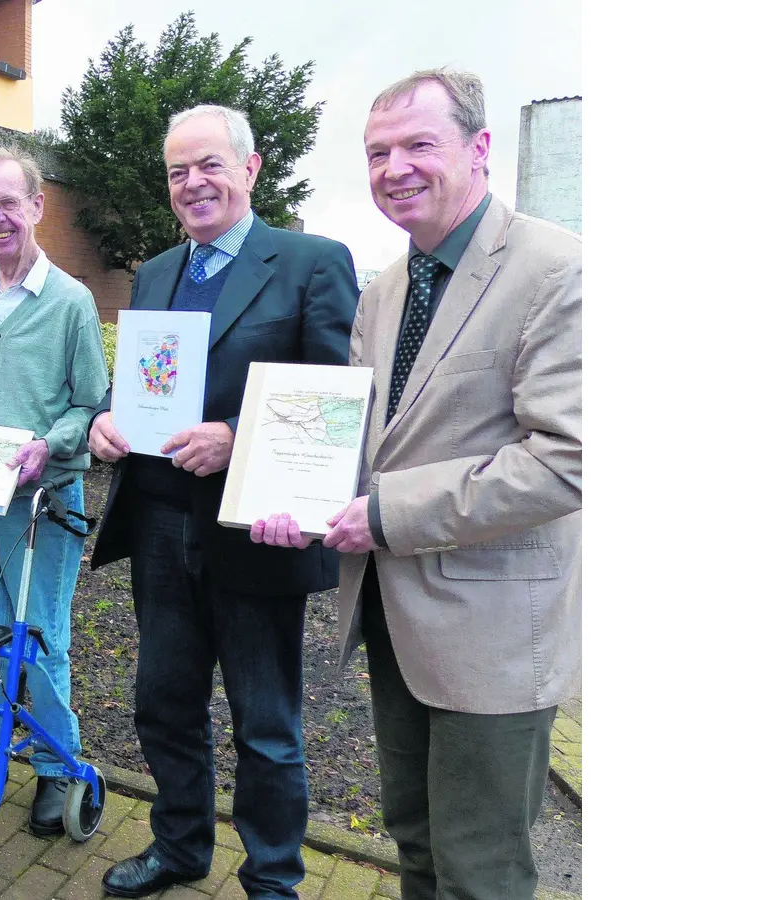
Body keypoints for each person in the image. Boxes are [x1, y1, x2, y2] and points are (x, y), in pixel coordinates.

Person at [252, 69, 581, 900]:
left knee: (480, 869)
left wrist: (384, 514)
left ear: (479, 148)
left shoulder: (557, 269)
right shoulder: (386, 288)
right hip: (394, 615)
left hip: (494, 635)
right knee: (417, 844)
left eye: (417, 145)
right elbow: (363, 435)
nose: (393, 167)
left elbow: (566, 458)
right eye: (376, 152)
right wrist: (283, 489)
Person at [88, 105, 359, 899]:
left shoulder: (311, 262)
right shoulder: (158, 272)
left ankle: (273, 879)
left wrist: (237, 436)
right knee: (165, 704)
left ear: (251, 168)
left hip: (255, 532)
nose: (193, 184)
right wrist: (110, 419)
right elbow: (141, 386)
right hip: (161, 524)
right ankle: (180, 851)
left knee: (266, 726)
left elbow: (339, 403)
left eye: (209, 165)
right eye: (178, 172)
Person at [0, 146, 109, 836]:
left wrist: (52, 444)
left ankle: (57, 765)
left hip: (44, 502)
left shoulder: (71, 301)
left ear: (36, 206)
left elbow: (92, 404)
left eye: (10, 202)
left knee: (38, 638)